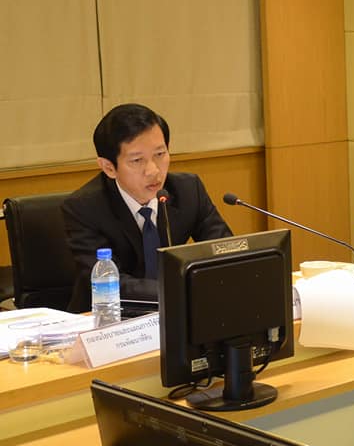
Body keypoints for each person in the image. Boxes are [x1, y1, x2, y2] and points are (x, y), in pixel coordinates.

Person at [64, 104, 232, 313]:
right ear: (109, 167)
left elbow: (224, 251)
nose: (153, 171)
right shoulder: (84, 208)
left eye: (160, 154)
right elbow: (111, 283)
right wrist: (180, 290)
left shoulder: (188, 190)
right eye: (137, 160)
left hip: (179, 311)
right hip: (110, 317)